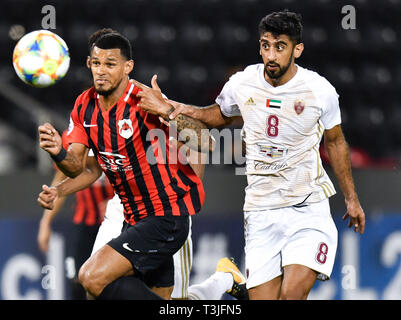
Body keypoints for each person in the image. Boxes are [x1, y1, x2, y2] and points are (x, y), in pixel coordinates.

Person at [132, 10, 366, 300]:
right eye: (265, 45)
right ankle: (225, 283)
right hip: (260, 211)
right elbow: (217, 116)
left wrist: (351, 199)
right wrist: (173, 107)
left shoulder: (319, 91)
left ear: (297, 49)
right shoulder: (242, 83)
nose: (271, 54)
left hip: (307, 208)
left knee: (292, 294)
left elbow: (336, 142)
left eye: (280, 46)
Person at [37, 29, 221, 299]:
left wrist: (166, 110)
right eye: (96, 63)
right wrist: (58, 154)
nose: (101, 71)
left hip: (165, 216)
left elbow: (207, 143)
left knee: (90, 278)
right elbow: (80, 167)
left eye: (110, 64)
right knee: (159, 297)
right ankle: (224, 281)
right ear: (88, 64)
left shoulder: (144, 101)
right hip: (133, 218)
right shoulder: (84, 105)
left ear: (128, 67)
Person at [38, 124, 248, 300]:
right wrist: (58, 187)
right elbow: (90, 168)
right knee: (95, 286)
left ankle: (223, 279)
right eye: (96, 71)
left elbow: (201, 141)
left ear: (126, 71)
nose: (101, 73)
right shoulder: (92, 115)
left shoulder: (157, 108)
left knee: (175, 300)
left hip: (167, 212)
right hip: (122, 210)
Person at [38, 131, 114, 299]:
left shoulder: (117, 129)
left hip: (117, 222)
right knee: (78, 283)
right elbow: (61, 177)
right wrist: (45, 222)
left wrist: (117, 202)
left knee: (112, 282)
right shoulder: (72, 133)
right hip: (84, 223)